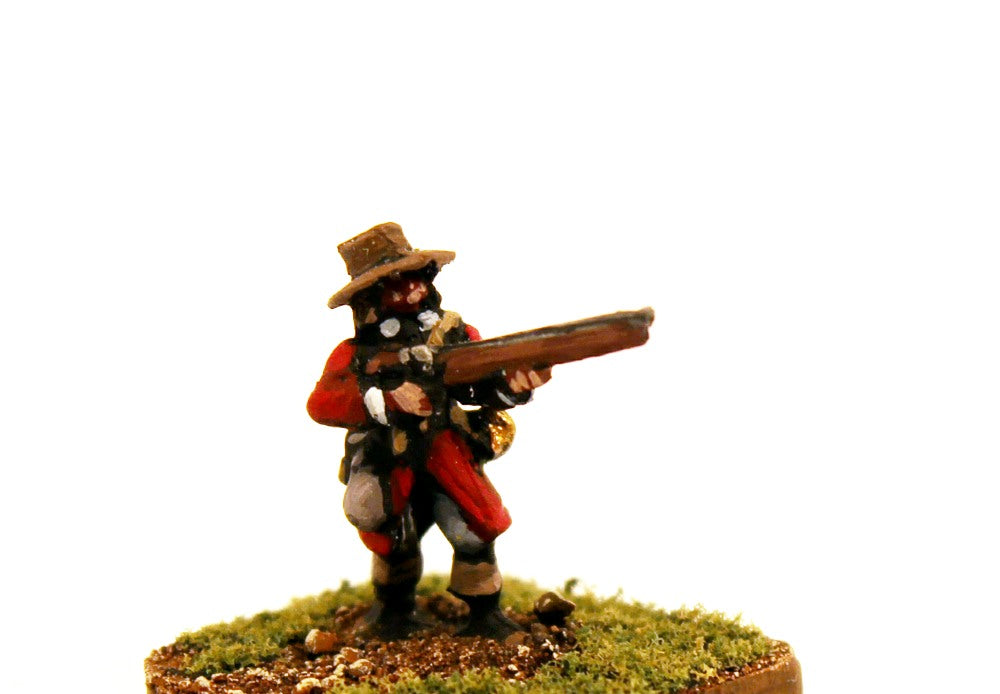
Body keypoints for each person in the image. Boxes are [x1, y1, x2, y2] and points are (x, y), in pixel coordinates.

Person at [307, 222, 550, 640]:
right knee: (389, 534)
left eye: (414, 275)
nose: (410, 288)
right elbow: (322, 403)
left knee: (473, 529)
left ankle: (485, 615)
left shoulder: (455, 334)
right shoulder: (355, 353)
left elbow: (480, 387)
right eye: (393, 282)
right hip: (385, 455)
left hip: (445, 449)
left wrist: (513, 386)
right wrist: (387, 400)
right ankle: (392, 612)